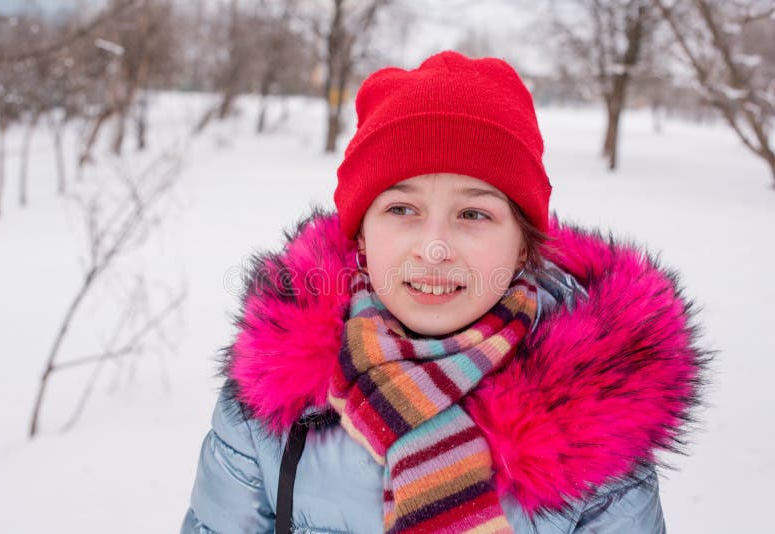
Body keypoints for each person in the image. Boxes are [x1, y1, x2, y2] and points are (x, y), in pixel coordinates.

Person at [180, 50, 709, 533]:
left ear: (523, 246)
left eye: (473, 214)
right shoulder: (270, 406)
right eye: (402, 210)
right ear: (360, 234)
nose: (434, 249)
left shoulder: (599, 425)